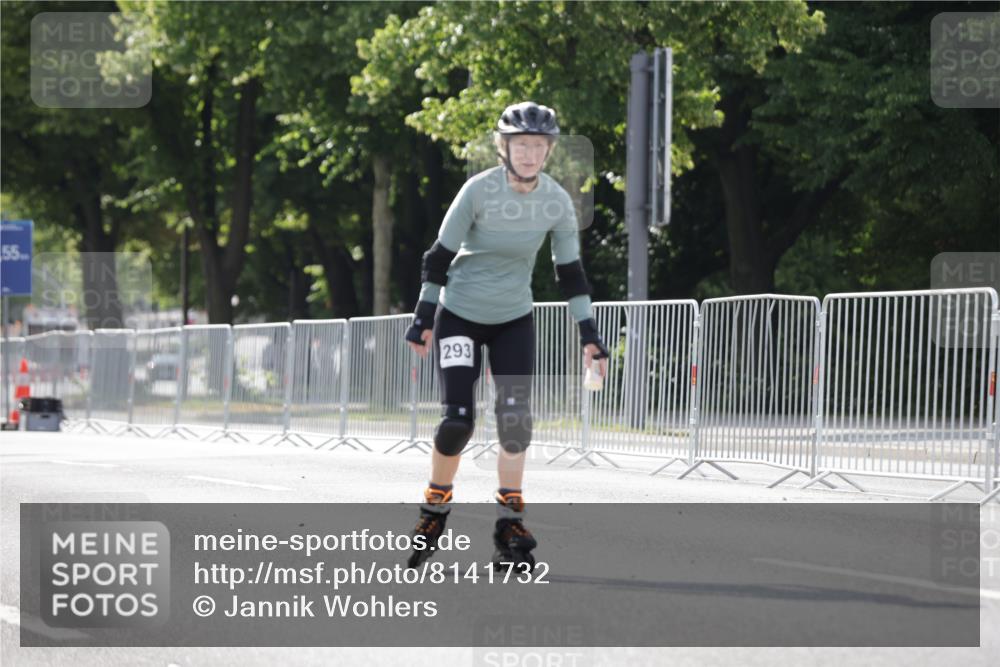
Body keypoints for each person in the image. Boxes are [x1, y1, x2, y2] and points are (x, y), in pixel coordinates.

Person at [403, 101, 609, 571]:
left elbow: (571, 274)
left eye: (539, 146)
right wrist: (424, 317)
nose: (531, 154)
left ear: (549, 150)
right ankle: (434, 509)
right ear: (505, 148)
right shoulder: (477, 191)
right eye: (522, 145)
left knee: (516, 422)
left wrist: (589, 336)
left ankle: (509, 520)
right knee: (457, 421)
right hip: (459, 317)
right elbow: (437, 259)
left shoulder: (557, 200)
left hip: (514, 320)